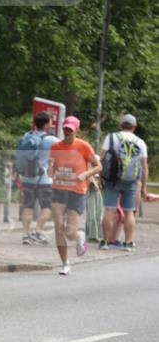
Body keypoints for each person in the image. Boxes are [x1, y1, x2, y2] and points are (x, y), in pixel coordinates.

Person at [48, 115, 101, 275]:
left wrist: (85, 174)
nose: (67, 132)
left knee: (70, 232)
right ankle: (65, 263)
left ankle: (79, 235)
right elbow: (51, 167)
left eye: (70, 130)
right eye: (65, 129)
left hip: (77, 191)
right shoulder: (55, 146)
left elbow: (99, 167)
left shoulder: (84, 146)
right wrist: (50, 169)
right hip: (58, 190)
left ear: (76, 130)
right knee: (58, 228)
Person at [100, 114, 149, 251]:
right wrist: (143, 187)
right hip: (132, 181)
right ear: (134, 127)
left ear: (121, 125)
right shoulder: (140, 142)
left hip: (112, 180)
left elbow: (102, 159)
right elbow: (144, 167)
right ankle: (128, 243)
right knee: (129, 212)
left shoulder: (110, 138)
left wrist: (99, 178)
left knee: (109, 210)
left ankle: (105, 242)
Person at [15, 110, 59, 244]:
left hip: (28, 178)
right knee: (47, 207)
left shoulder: (27, 136)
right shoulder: (51, 139)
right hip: (44, 179)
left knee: (28, 207)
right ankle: (38, 231)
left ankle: (25, 235)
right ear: (46, 124)